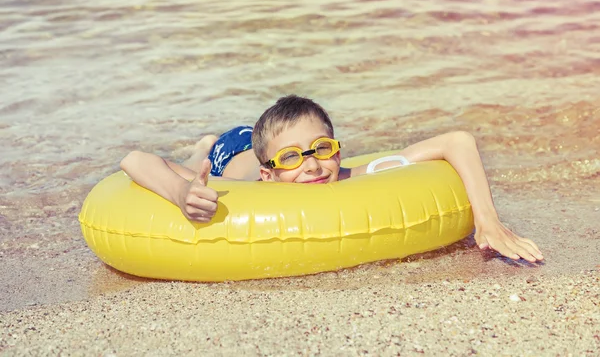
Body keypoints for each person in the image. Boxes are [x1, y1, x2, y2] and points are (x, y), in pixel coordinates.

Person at [120, 95, 543, 263]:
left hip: (265, 142)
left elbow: (458, 140)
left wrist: (488, 220)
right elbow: (135, 160)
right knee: (200, 157)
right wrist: (181, 192)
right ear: (270, 174)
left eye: (321, 149)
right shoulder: (248, 187)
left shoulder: (344, 171)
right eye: (293, 159)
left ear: (336, 148)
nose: (312, 166)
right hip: (233, 151)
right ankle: (205, 142)